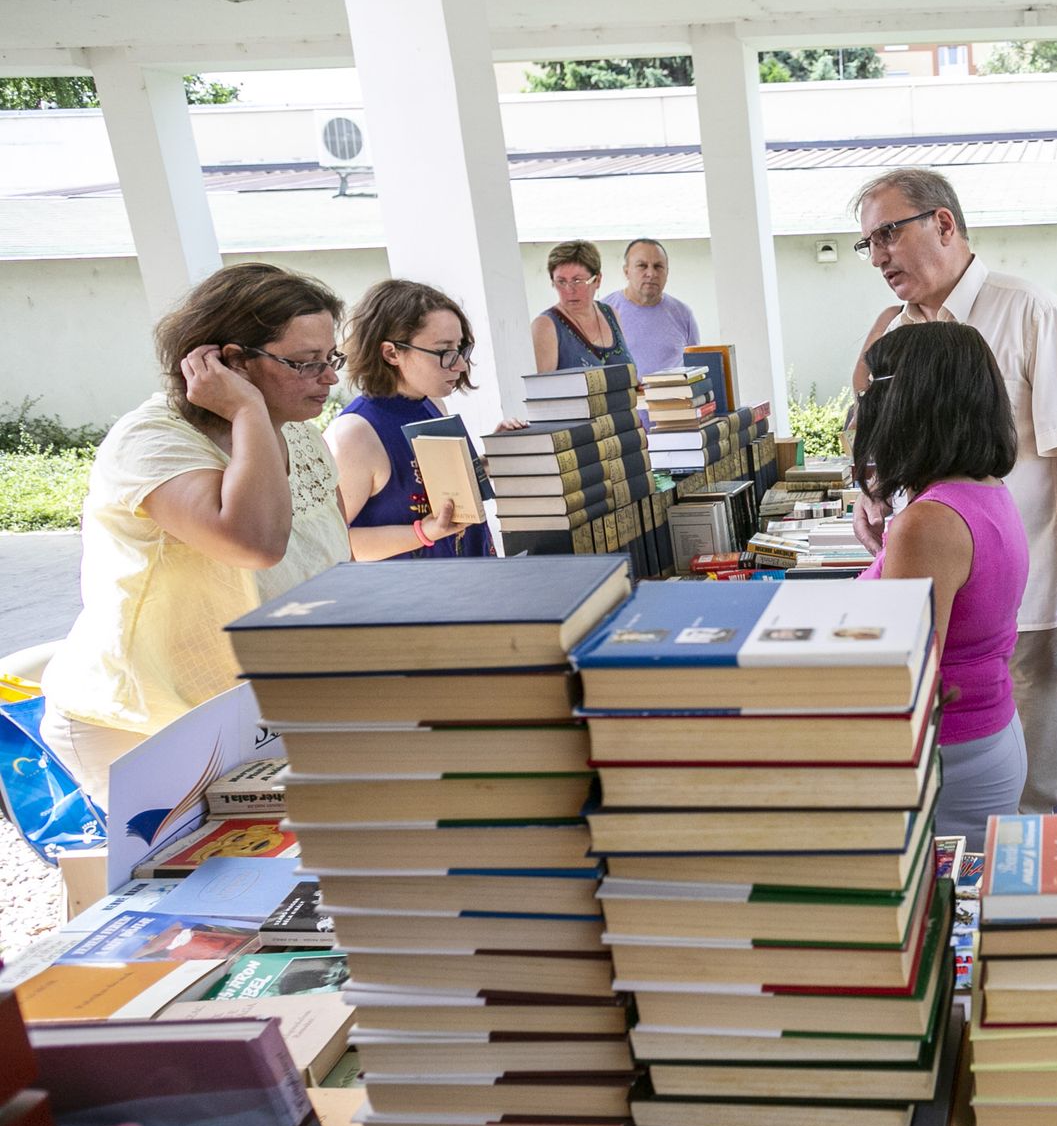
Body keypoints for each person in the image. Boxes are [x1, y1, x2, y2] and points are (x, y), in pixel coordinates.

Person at [38, 264, 354, 808]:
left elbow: (331, 559)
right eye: (304, 363)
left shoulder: (300, 435)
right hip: (146, 717)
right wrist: (247, 408)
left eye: (331, 359)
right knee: (194, 883)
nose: (328, 379)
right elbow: (254, 544)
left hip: (252, 709)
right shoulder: (152, 439)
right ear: (228, 362)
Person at [853, 167, 1057, 814]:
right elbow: (884, 447)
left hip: (1020, 609)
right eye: (868, 243)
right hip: (934, 594)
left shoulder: (1029, 310)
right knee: (960, 813)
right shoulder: (895, 333)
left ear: (943, 223)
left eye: (888, 233)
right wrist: (873, 492)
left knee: (1034, 801)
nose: (879, 255)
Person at [852, 322, 1027, 849]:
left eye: (868, 397)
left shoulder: (929, 523)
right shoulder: (981, 491)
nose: (863, 416)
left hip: (949, 755)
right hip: (982, 737)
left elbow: (908, 677)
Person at [326, 280, 507, 561]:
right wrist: (424, 532)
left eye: (460, 348)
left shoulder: (433, 403)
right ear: (391, 353)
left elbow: (437, 488)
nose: (459, 365)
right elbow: (334, 545)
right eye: (444, 351)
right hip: (412, 598)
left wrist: (494, 458)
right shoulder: (354, 433)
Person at [601, 239, 701, 376]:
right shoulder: (603, 313)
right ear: (626, 272)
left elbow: (696, 369)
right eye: (642, 266)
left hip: (675, 396)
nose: (651, 273)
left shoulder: (683, 314)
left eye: (658, 266)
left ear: (667, 272)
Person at [530, 240, 632, 373]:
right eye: (561, 281)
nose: (569, 289)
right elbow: (540, 388)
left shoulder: (610, 314)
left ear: (597, 280)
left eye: (577, 281)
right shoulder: (545, 326)